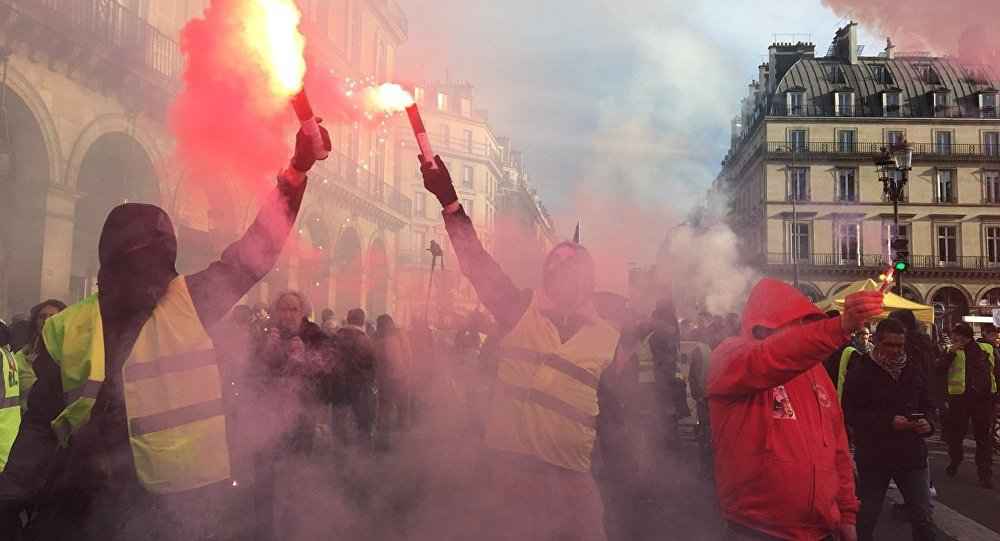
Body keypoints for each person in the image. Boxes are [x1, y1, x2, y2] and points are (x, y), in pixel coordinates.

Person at [0, 122, 330, 541]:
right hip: (84, 499)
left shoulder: (188, 300)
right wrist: (11, 498)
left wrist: (296, 171)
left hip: (176, 508)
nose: (157, 273)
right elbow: (39, 424)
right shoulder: (65, 327)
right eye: (143, 258)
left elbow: (256, 251)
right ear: (113, 262)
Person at [421, 155, 620, 541]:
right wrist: (449, 200)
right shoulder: (518, 309)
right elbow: (476, 262)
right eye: (554, 259)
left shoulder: (608, 339)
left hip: (572, 479)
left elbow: (616, 419)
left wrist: (615, 478)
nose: (559, 265)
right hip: (511, 477)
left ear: (587, 277)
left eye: (570, 260)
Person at [709, 278, 883, 541]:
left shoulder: (817, 374)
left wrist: (846, 513)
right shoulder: (732, 356)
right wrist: (839, 327)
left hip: (820, 530)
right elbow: (772, 356)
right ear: (769, 322)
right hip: (756, 529)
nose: (804, 331)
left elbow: (838, 450)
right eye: (798, 323)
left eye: (807, 324)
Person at [250, 291, 335, 539]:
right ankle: (262, 531)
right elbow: (248, 376)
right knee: (265, 481)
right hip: (267, 418)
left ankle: (292, 530)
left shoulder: (317, 337)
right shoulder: (265, 334)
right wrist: (264, 352)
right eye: (283, 310)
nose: (288, 315)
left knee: (296, 479)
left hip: (301, 420)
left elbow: (328, 382)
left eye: (293, 309)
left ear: (303, 311)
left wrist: (305, 359)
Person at [842, 318, 937, 541]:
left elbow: (929, 406)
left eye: (899, 345)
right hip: (876, 456)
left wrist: (928, 423)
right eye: (889, 345)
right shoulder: (861, 371)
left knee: (923, 518)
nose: (895, 350)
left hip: (911, 455)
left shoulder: (912, 370)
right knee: (866, 518)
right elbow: (850, 413)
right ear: (877, 341)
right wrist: (888, 422)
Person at [936, 323, 999, 489]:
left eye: (958, 336)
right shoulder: (951, 350)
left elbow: (997, 372)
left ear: (967, 337)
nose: (956, 339)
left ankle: (985, 474)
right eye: (955, 336)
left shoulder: (986, 348)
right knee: (955, 436)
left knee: (982, 438)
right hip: (959, 400)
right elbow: (938, 370)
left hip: (982, 400)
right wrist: (950, 354)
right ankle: (955, 459)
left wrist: (997, 398)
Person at [331, 308, 378, 450]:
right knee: (364, 426)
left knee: (339, 425)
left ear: (348, 319)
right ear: (363, 321)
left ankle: (340, 456)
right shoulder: (367, 342)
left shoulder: (334, 338)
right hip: (361, 389)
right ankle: (362, 459)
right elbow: (374, 366)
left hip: (339, 388)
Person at [13, 300, 66, 413]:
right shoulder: (21, 357)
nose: (46, 321)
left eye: (54, 316)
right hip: (27, 424)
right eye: (42, 317)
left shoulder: (72, 358)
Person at [688, 320, 726, 476]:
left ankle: (714, 467)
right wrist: (699, 397)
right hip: (708, 401)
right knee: (708, 436)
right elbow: (693, 377)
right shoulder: (702, 350)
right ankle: (709, 468)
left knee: (713, 436)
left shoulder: (721, 350)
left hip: (716, 401)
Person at [373, 314, 412, 438]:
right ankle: (404, 439)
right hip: (401, 378)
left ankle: (383, 440)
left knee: (384, 410)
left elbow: (372, 358)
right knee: (403, 409)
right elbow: (408, 356)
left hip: (384, 380)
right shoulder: (400, 335)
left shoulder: (375, 337)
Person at [823, 327, 868, 401]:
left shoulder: (852, 351)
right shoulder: (849, 351)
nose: (865, 341)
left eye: (866, 338)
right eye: (862, 338)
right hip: (838, 387)